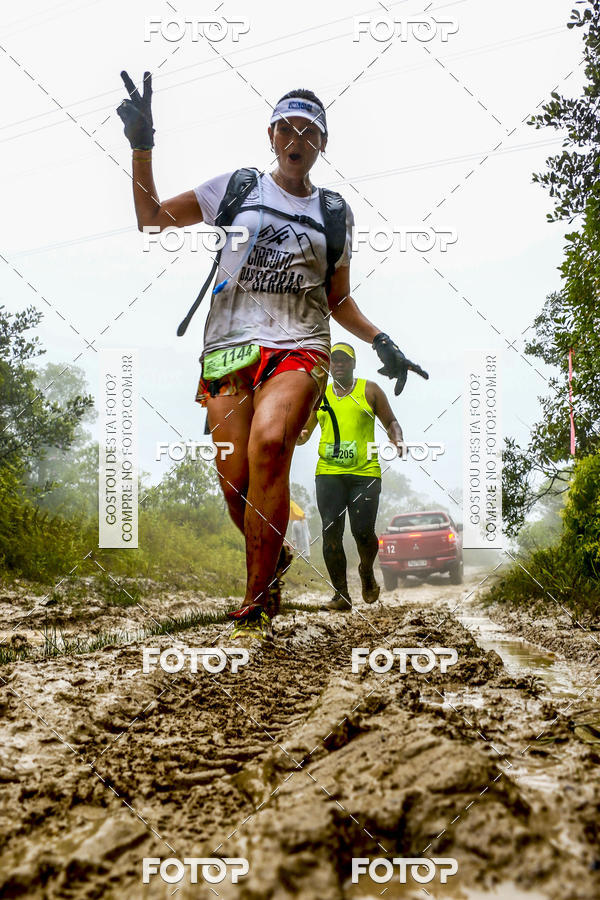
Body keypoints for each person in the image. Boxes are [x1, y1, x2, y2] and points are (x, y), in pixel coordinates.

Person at [117, 72, 427, 642]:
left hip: (300, 346)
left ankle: (255, 604)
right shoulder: (236, 188)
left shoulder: (334, 213)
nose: (297, 137)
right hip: (227, 352)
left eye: (309, 131)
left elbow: (339, 301)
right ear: (272, 133)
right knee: (236, 485)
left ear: (321, 146)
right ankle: (275, 556)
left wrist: (382, 340)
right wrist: (142, 145)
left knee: (268, 445)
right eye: (288, 126)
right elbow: (152, 217)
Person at [297, 342, 404, 610]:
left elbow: (391, 421)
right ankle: (341, 595)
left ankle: (366, 570)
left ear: (354, 364)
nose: (339, 364)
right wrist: (294, 437)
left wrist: (397, 438)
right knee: (330, 530)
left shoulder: (369, 390)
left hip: (364, 473)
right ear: (329, 365)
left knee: (362, 532)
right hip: (329, 473)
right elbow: (305, 430)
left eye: (345, 360)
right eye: (335, 360)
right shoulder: (320, 395)